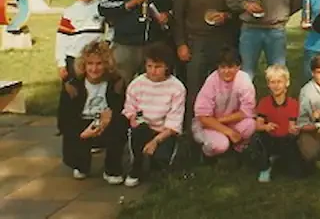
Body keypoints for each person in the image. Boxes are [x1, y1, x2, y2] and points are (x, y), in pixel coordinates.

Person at [173, 0, 236, 126]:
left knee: (221, 87)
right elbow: (177, 18)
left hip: (221, 43)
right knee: (195, 87)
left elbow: (236, 13)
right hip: (195, 43)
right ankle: (193, 127)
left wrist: (226, 16)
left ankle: (219, 124)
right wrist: (181, 44)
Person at [57, 41, 127, 184]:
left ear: (106, 64)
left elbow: (122, 109)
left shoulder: (116, 83)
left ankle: (112, 169)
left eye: (99, 64)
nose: (94, 69)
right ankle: (81, 163)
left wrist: (107, 120)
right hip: (82, 124)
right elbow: (63, 118)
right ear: (84, 64)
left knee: (120, 126)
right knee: (80, 168)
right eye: (90, 64)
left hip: (106, 123)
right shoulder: (72, 85)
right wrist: (81, 134)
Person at [122, 42, 186, 187]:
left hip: (164, 132)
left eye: (158, 67)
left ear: (167, 67)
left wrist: (156, 141)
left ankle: (158, 165)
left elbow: (174, 121)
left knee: (161, 164)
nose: (153, 71)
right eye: (149, 66)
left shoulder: (177, 88)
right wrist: (134, 119)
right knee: (137, 134)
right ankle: (135, 167)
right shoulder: (136, 84)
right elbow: (130, 110)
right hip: (142, 127)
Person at [192, 47, 256, 157]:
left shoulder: (244, 79)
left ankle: (236, 149)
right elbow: (203, 116)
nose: (226, 71)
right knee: (221, 145)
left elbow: (247, 111)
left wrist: (221, 121)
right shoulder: (211, 81)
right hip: (209, 125)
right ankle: (208, 153)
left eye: (230, 67)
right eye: (222, 67)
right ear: (217, 67)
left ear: (238, 67)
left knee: (250, 125)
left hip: (229, 121)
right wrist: (229, 131)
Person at [249, 65, 305, 182]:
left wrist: (294, 130)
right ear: (268, 85)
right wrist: (265, 126)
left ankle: (280, 160)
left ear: (287, 83)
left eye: (279, 82)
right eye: (272, 82)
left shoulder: (293, 103)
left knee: (297, 174)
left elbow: (292, 125)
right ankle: (265, 167)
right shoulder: (264, 102)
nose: (276, 85)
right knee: (256, 138)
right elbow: (258, 125)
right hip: (269, 138)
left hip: (286, 140)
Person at [56, 0, 105, 82]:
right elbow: (62, 38)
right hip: (74, 57)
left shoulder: (102, 9)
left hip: (95, 58)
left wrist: (107, 44)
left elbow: (111, 29)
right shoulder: (70, 11)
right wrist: (61, 63)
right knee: (73, 88)